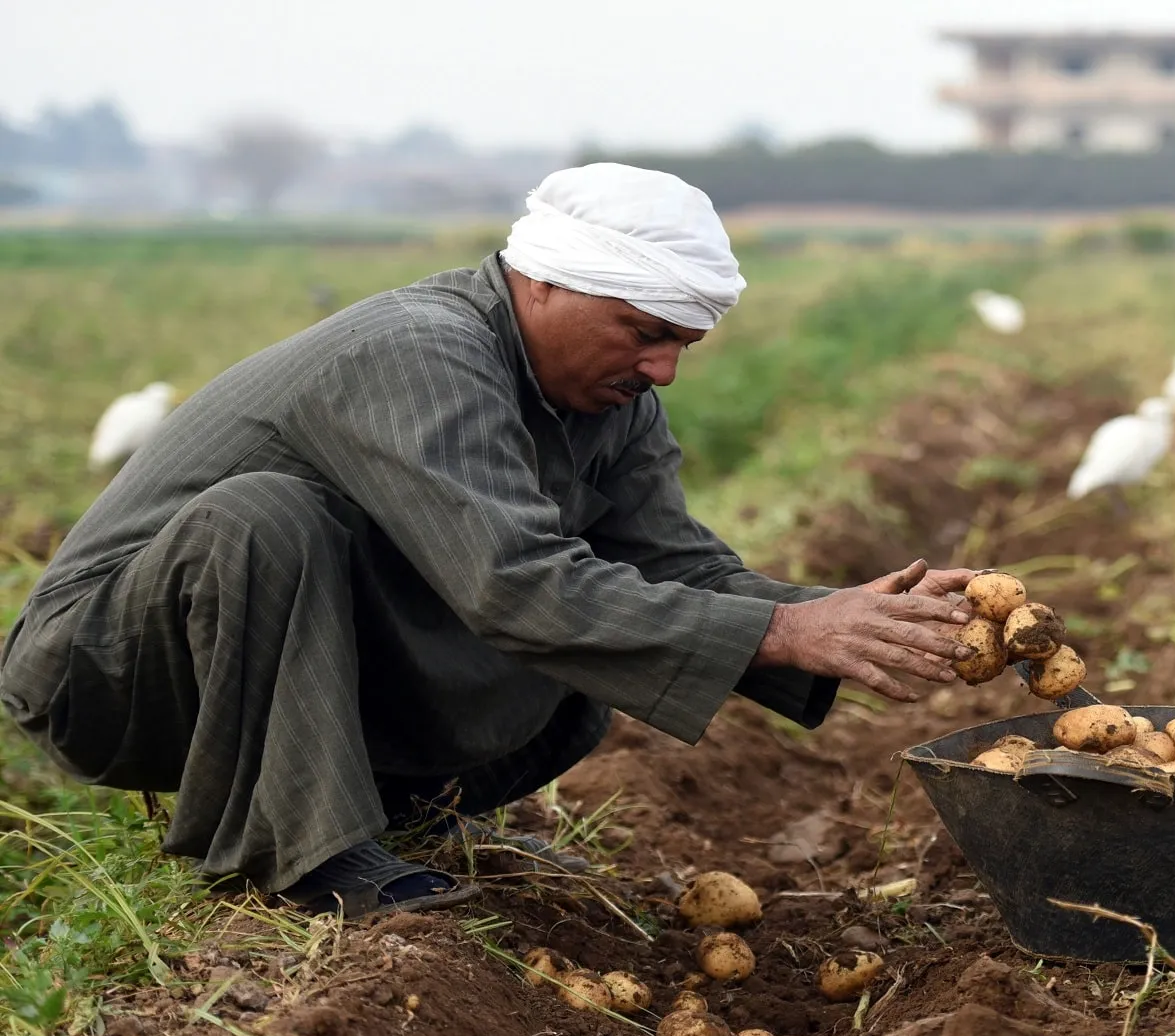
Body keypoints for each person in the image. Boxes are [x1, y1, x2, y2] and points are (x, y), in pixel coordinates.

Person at [0, 163, 981, 918]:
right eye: (643, 332)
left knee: (608, 642)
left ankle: (402, 816)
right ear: (544, 285)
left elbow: (678, 565)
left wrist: (857, 618)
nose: (665, 370)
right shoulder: (421, 351)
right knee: (273, 515)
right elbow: (513, 584)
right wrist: (783, 634)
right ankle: (301, 857)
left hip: (256, 645)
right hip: (109, 671)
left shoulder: (609, 401)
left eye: (682, 344)